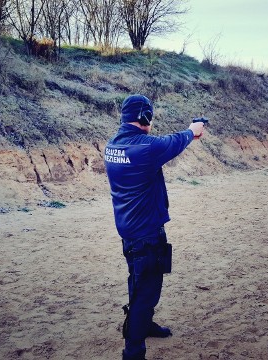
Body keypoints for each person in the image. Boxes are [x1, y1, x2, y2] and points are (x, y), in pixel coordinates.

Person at [104, 94, 205, 360]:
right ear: (145, 117)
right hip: (146, 233)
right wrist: (193, 130)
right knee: (146, 292)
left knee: (137, 282)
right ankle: (133, 352)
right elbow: (177, 140)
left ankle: (145, 325)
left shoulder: (112, 145)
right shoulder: (147, 147)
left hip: (128, 230)